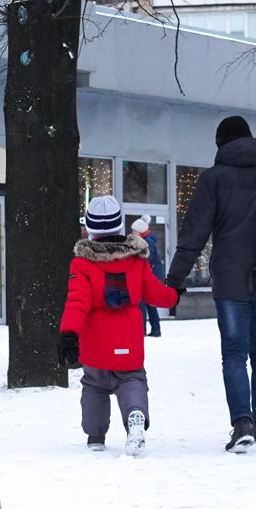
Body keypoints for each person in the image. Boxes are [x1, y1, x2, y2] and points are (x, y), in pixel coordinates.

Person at [167, 115, 256, 453]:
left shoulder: (214, 179)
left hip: (230, 280)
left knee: (234, 352)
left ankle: (242, 421)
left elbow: (194, 234)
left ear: (221, 145)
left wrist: (174, 281)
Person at [57, 195, 179, 457]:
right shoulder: (136, 260)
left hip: (95, 343)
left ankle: (95, 435)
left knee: (94, 386)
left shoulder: (82, 263)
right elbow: (156, 293)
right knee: (132, 380)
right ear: (119, 225)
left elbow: (77, 301)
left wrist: (69, 334)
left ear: (90, 229)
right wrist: (175, 296)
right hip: (129, 340)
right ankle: (135, 414)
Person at [134, 216, 169, 338]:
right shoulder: (148, 240)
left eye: (134, 231)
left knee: (143, 303)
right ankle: (155, 329)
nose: (132, 233)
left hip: (150, 276)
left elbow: (147, 259)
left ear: (139, 231)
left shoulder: (147, 242)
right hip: (152, 275)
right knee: (149, 303)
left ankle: (143, 330)